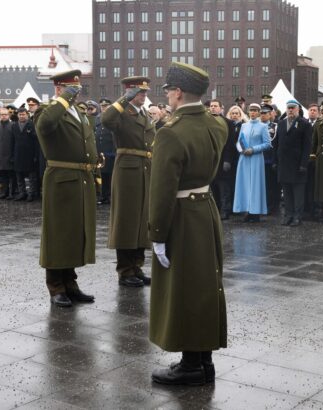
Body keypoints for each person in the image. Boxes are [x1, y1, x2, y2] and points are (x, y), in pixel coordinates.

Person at [149, 62, 228, 386]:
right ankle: (203, 360)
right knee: (204, 287)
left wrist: (157, 233)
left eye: (168, 90)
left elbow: (162, 191)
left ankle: (191, 364)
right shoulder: (217, 125)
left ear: (179, 92)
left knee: (183, 290)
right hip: (205, 210)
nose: (167, 95)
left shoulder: (172, 133)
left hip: (181, 215)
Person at [33, 69, 98, 307]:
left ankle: (70, 283)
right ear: (59, 89)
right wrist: (62, 99)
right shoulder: (47, 111)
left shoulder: (78, 112)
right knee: (58, 235)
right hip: (60, 179)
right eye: (71, 90)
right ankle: (56, 287)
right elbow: (46, 125)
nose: (76, 95)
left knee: (74, 234)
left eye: (77, 90)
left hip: (81, 179)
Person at [101, 76, 155, 288]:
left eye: (144, 93)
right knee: (126, 220)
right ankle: (125, 271)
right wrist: (123, 100)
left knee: (142, 219)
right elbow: (106, 120)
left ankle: (137, 267)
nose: (143, 96)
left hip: (145, 168)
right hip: (128, 169)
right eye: (139, 93)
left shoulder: (144, 113)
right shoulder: (121, 112)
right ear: (129, 93)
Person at [233, 103, 271, 222]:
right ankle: (246, 210)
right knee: (244, 184)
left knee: (255, 185)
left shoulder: (263, 126)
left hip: (256, 159)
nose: (253, 113)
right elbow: (239, 141)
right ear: (248, 112)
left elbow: (267, 144)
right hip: (244, 158)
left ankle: (255, 212)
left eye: (255, 110)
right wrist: (241, 149)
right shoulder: (244, 126)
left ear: (259, 112)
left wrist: (253, 149)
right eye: (251, 110)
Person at [210, 99, 238, 220]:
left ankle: (225, 210)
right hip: (210, 160)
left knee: (224, 188)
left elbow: (230, 143)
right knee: (212, 188)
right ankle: (214, 210)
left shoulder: (228, 123)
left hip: (223, 159)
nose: (212, 108)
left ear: (221, 108)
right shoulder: (205, 122)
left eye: (215, 106)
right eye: (211, 106)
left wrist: (227, 160)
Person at [12, 107, 39, 201]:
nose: (21, 116)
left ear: (27, 115)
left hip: (30, 154)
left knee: (32, 176)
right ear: (17, 115)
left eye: (23, 114)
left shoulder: (32, 125)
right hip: (18, 154)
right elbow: (12, 141)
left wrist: (36, 155)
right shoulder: (14, 125)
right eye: (20, 114)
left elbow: (36, 141)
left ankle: (31, 193)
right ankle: (22, 193)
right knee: (19, 175)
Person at [260, 103, 281, 215]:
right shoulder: (256, 126)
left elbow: (276, 144)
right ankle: (263, 206)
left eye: (265, 113)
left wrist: (275, 160)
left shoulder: (275, 127)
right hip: (259, 160)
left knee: (273, 185)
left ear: (270, 114)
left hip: (270, 160)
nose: (263, 115)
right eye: (261, 113)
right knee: (261, 185)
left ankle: (273, 206)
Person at [0, 108, 16, 199]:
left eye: (5, 114)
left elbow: (15, 142)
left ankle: (12, 193)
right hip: (0, 156)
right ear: (0, 115)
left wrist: (14, 155)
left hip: (10, 155)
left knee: (12, 176)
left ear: (8, 115)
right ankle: (4, 193)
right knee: (3, 176)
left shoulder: (13, 125)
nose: (4, 116)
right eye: (2, 114)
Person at [95, 98, 114, 205]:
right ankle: (103, 196)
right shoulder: (98, 118)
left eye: (106, 105)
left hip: (110, 152)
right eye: (102, 106)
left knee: (110, 175)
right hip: (100, 152)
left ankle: (109, 196)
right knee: (101, 175)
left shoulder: (113, 118)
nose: (104, 107)